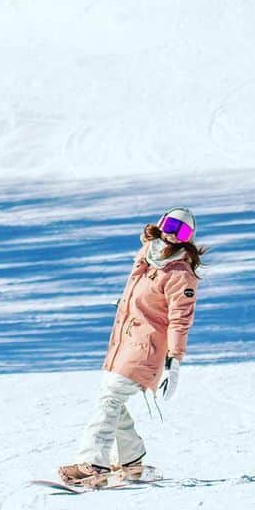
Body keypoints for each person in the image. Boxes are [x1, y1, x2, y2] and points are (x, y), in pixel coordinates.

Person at [58, 207, 206, 485]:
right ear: (161, 224)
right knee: (111, 399)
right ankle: (132, 460)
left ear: (188, 238)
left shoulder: (181, 274)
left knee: (110, 398)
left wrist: (174, 363)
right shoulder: (147, 256)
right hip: (124, 342)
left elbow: (180, 321)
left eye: (182, 231)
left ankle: (93, 464)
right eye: (172, 224)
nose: (173, 234)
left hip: (147, 349)